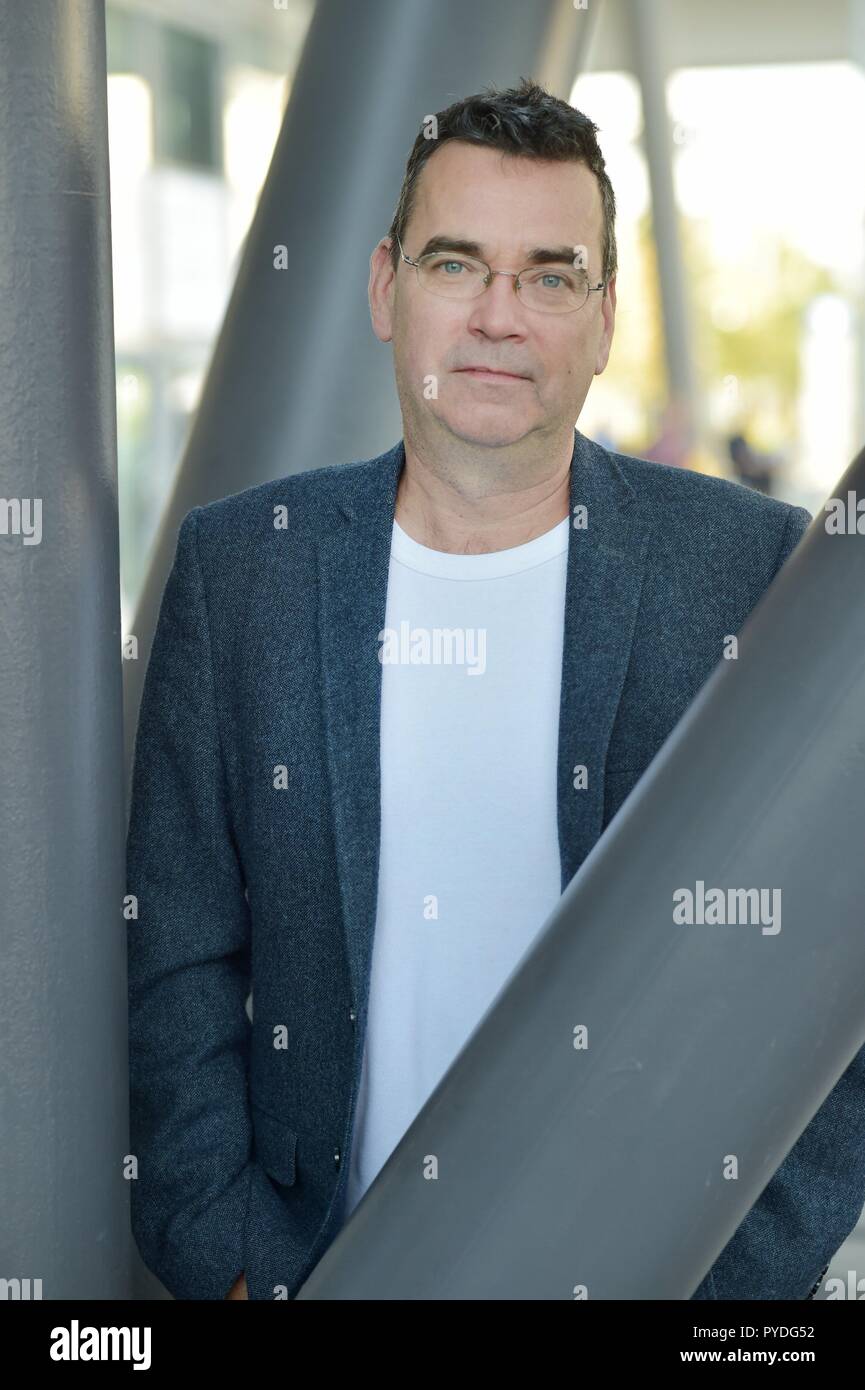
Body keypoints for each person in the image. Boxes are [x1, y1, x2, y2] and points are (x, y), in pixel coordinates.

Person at [126, 79, 864, 1302]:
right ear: (383, 288)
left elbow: (834, 969)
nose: (498, 317)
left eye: (551, 275)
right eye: (456, 264)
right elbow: (178, 965)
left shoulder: (748, 571)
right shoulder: (245, 568)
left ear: (606, 315)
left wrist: (717, 1290)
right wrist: (249, 1280)